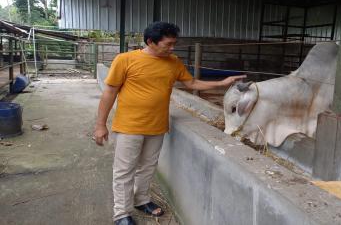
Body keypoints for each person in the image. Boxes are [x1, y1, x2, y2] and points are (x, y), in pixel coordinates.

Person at [94, 22, 246, 225]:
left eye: (174, 43)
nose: (173, 48)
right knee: (124, 170)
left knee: (148, 167)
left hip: (157, 126)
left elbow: (191, 83)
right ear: (150, 41)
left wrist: (222, 82)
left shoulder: (173, 62)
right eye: (168, 44)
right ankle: (121, 213)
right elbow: (109, 92)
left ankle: (142, 200)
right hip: (129, 126)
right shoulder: (125, 60)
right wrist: (100, 125)